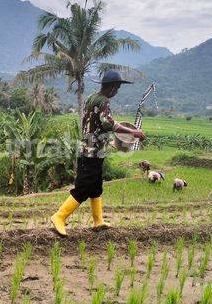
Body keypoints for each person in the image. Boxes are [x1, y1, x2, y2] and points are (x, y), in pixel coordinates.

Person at [50, 70, 146, 236]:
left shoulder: (92, 98)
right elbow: (109, 124)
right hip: (91, 153)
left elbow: (94, 125)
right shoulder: (104, 102)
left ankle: (98, 220)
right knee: (83, 187)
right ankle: (59, 216)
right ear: (112, 88)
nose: (117, 91)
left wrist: (104, 139)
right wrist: (133, 133)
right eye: (117, 88)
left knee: (96, 186)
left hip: (91, 148)